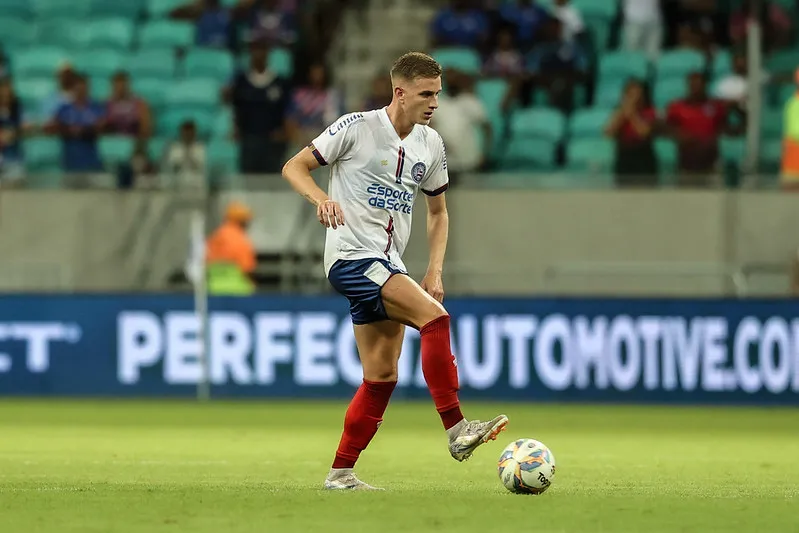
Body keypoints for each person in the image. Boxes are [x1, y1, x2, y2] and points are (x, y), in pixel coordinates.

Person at [282, 52, 508, 491]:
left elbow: (438, 213)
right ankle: (457, 429)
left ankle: (340, 473)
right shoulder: (356, 128)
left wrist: (435, 270)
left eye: (438, 94)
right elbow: (295, 166)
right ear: (399, 92)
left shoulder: (431, 144)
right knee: (435, 319)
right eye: (426, 94)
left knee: (381, 376)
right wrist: (320, 200)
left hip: (390, 263)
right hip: (351, 257)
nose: (434, 103)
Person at [227, 39, 290, 174]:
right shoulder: (242, 82)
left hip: (273, 140)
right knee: (249, 177)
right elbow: (236, 108)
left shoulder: (279, 82)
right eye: (255, 52)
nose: (259, 55)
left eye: (262, 51)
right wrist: (236, 128)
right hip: (249, 138)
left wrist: (283, 130)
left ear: (267, 55)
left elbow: (285, 109)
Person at [604, 79, 658, 187]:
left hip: (643, 160)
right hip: (624, 160)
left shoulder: (649, 112)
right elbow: (608, 132)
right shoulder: (619, 112)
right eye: (630, 94)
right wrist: (623, 113)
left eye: (637, 94)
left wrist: (632, 114)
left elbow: (644, 132)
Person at [205, 201, 257, 295]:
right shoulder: (240, 240)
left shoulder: (215, 237)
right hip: (237, 291)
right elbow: (248, 268)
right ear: (243, 221)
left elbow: (205, 262)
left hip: (213, 289)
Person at [105, 71, 152, 139]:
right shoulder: (107, 104)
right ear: (113, 86)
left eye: (123, 85)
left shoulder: (139, 103)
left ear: (128, 85)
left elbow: (145, 127)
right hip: (112, 141)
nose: (121, 89)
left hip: (134, 140)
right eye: (118, 85)